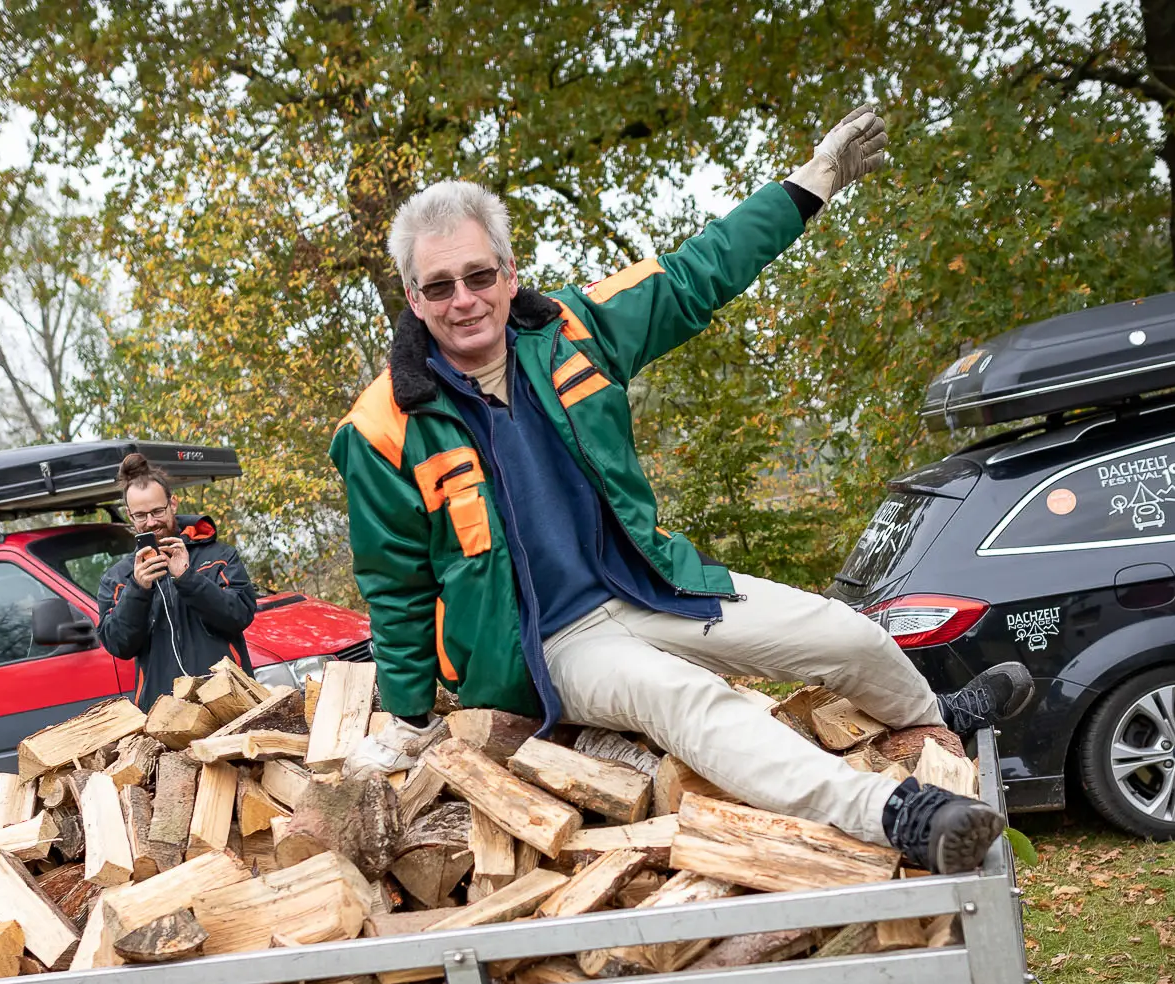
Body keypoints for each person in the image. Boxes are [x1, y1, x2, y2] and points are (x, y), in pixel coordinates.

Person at [332, 106, 1033, 875]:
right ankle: (891, 813)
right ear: (412, 295)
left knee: (845, 633)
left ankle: (935, 718)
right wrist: (405, 716)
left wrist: (815, 181)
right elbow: (395, 586)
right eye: (439, 286)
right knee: (686, 700)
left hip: (650, 582)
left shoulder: (578, 328)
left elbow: (701, 270)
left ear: (509, 273)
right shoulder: (381, 426)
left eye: (477, 275)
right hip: (549, 646)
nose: (463, 299)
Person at [96, 451, 259, 707]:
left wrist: (187, 578)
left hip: (230, 699)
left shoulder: (218, 556)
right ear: (130, 515)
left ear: (173, 504)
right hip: (164, 711)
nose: (151, 522)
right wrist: (138, 590)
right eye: (140, 515)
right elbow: (119, 645)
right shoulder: (118, 578)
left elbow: (239, 615)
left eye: (157, 511)